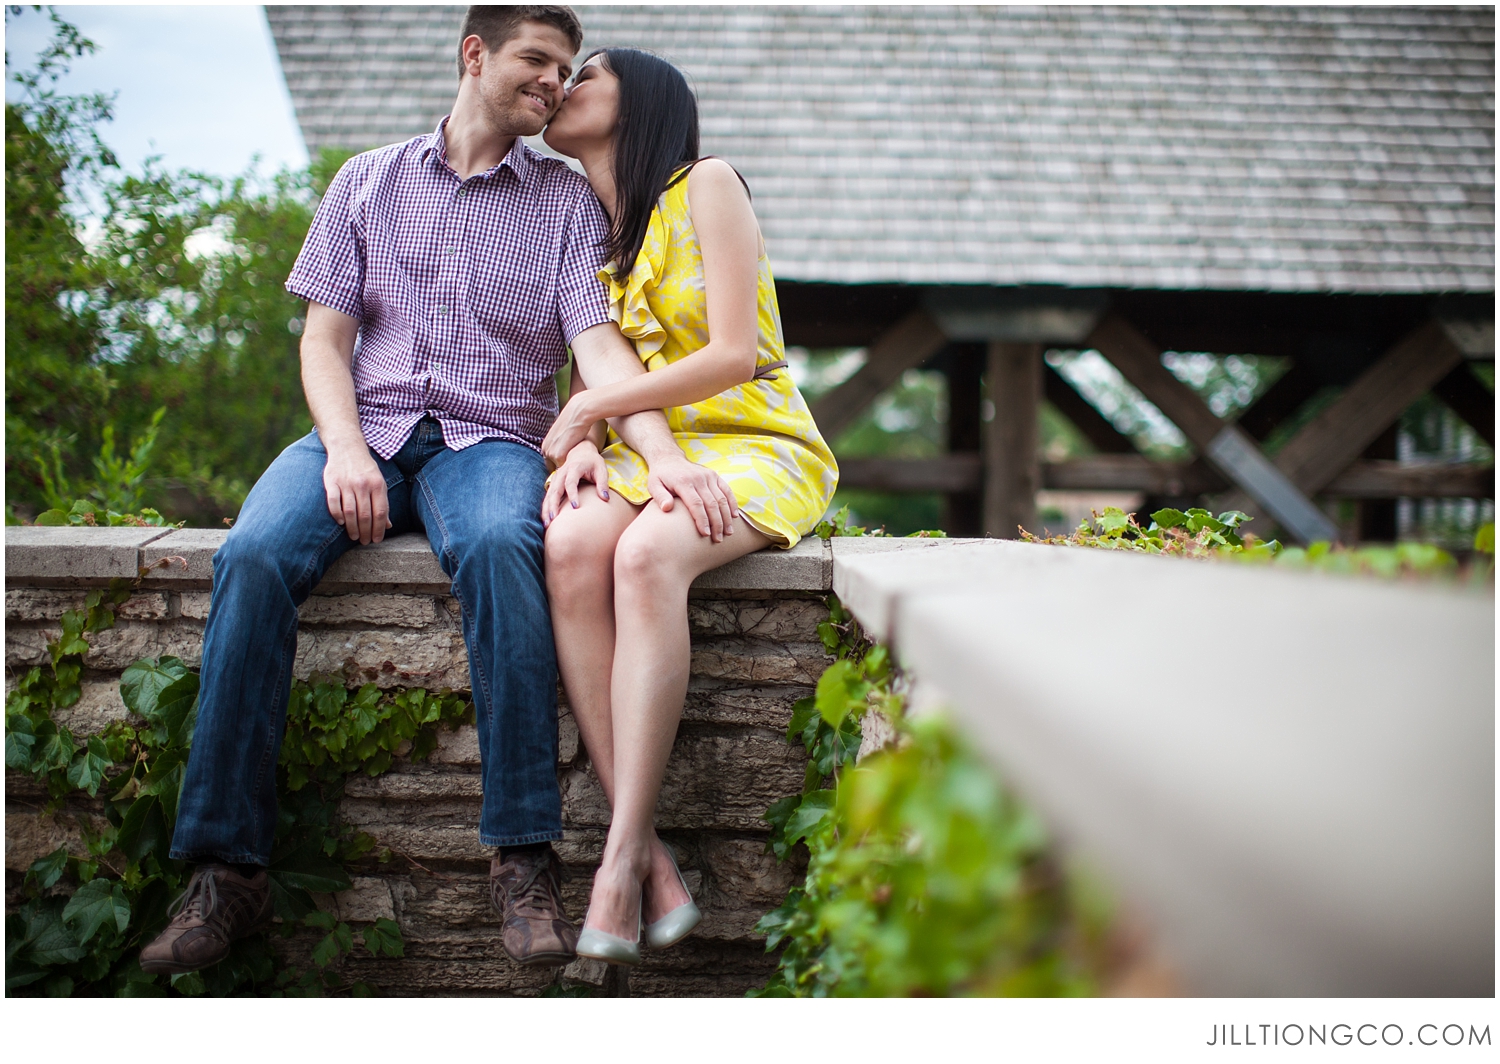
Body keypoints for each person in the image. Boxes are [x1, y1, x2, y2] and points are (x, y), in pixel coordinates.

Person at [139, 6, 735, 975]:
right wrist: (341, 450)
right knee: (248, 555)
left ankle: (523, 857)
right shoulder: (364, 182)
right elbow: (324, 340)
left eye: (566, 70)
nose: (553, 83)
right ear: (474, 55)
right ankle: (224, 870)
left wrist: (659, 455)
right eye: (536, 63)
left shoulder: (563, 203)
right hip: (360, 429)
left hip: (490, 440)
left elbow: (599, 348)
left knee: (508, 549)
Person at [539, 48, 838, 964]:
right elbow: (607, 368)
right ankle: (655, 856)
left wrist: (588, 411)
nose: (564, 85)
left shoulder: (705, 183)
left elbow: (733, 356)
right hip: (663, 452)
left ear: (644, 100)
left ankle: (618, 855)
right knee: (572, 544)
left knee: (644, 558)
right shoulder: (594, 229)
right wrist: (586, 435)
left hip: (759, 441)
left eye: (586, 73)